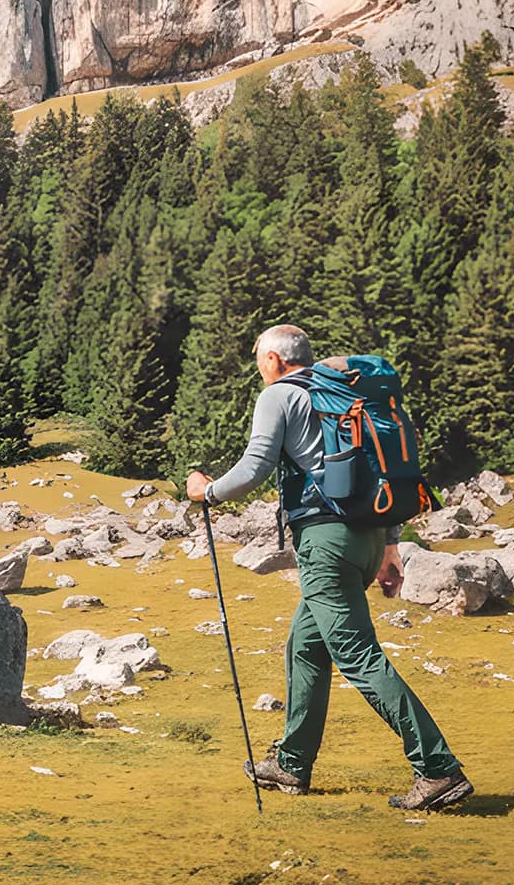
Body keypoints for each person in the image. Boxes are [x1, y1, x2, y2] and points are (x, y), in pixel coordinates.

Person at [183, 323, 471, 812]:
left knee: (357, 655)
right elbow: (374, 470)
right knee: (305, 646)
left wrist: (205, 491)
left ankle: (437, 769)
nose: (258, 365)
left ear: (273, 359)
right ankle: (292, 764)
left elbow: (255, 467)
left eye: (258, 356)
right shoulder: (342, 396)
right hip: (367, 536)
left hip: (326, 542)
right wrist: (388, 547)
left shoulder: (279, 396)